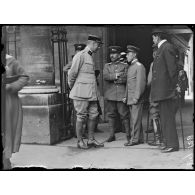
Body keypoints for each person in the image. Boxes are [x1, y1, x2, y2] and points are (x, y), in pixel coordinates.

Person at [68, 35, 104, 149]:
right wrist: (75, 88)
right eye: (98, 45)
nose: (98, 48)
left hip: (91, 94)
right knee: (81, 117)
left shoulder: (90, 56)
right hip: (81, 93)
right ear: (93, 43)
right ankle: (79, 141)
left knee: (94, 115)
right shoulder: (80, 55)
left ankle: (91, 140)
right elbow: (72, 74)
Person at [151, 29, 179, 153]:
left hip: (166, 91)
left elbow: (172, 70)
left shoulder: (166, 48)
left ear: (157, 36)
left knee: (168, 118)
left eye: (153, 37)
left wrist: (171, 89)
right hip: (163, 91)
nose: (152, 40)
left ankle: (172, 144)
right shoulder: (163, 48)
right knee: (165, 118)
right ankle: (169, 143)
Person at [3, 54, 29, 169]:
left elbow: (24, 76)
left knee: (6, 132)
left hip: (7, 101)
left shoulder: (11, 60)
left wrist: (11, 86)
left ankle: (5, 161)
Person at [103, 46, 130, 143]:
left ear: (119, 55)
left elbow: (125, 78)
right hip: (110, 94)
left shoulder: (125, 65)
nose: (112, 55)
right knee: (110, 115)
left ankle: (128, 135)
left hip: (121, 94)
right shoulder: (107, 66)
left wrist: (113, 78)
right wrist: (117, 75)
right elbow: (105, 76)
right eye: (111, 53)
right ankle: (111, 135)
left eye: (114, 54)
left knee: (124, 115)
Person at [123, 45, 146, 146]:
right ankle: (139, 138)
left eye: (128, 54)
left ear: (134, 54)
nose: (126, 56)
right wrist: (125, 96)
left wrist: (136, 97)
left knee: (135, 120)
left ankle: (134, 140)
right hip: (131, 98)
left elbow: (141, 84)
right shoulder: (131, 66)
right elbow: (129, 84)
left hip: (136, 98)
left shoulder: (139, 66)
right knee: (135, 119)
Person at [147, 45, 161, 146]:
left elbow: (149, 81)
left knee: (155, 115)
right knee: (163, 115)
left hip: (155, 93)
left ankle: (158, 139)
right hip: (165, 93)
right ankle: (165, 138)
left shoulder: (153, 63)